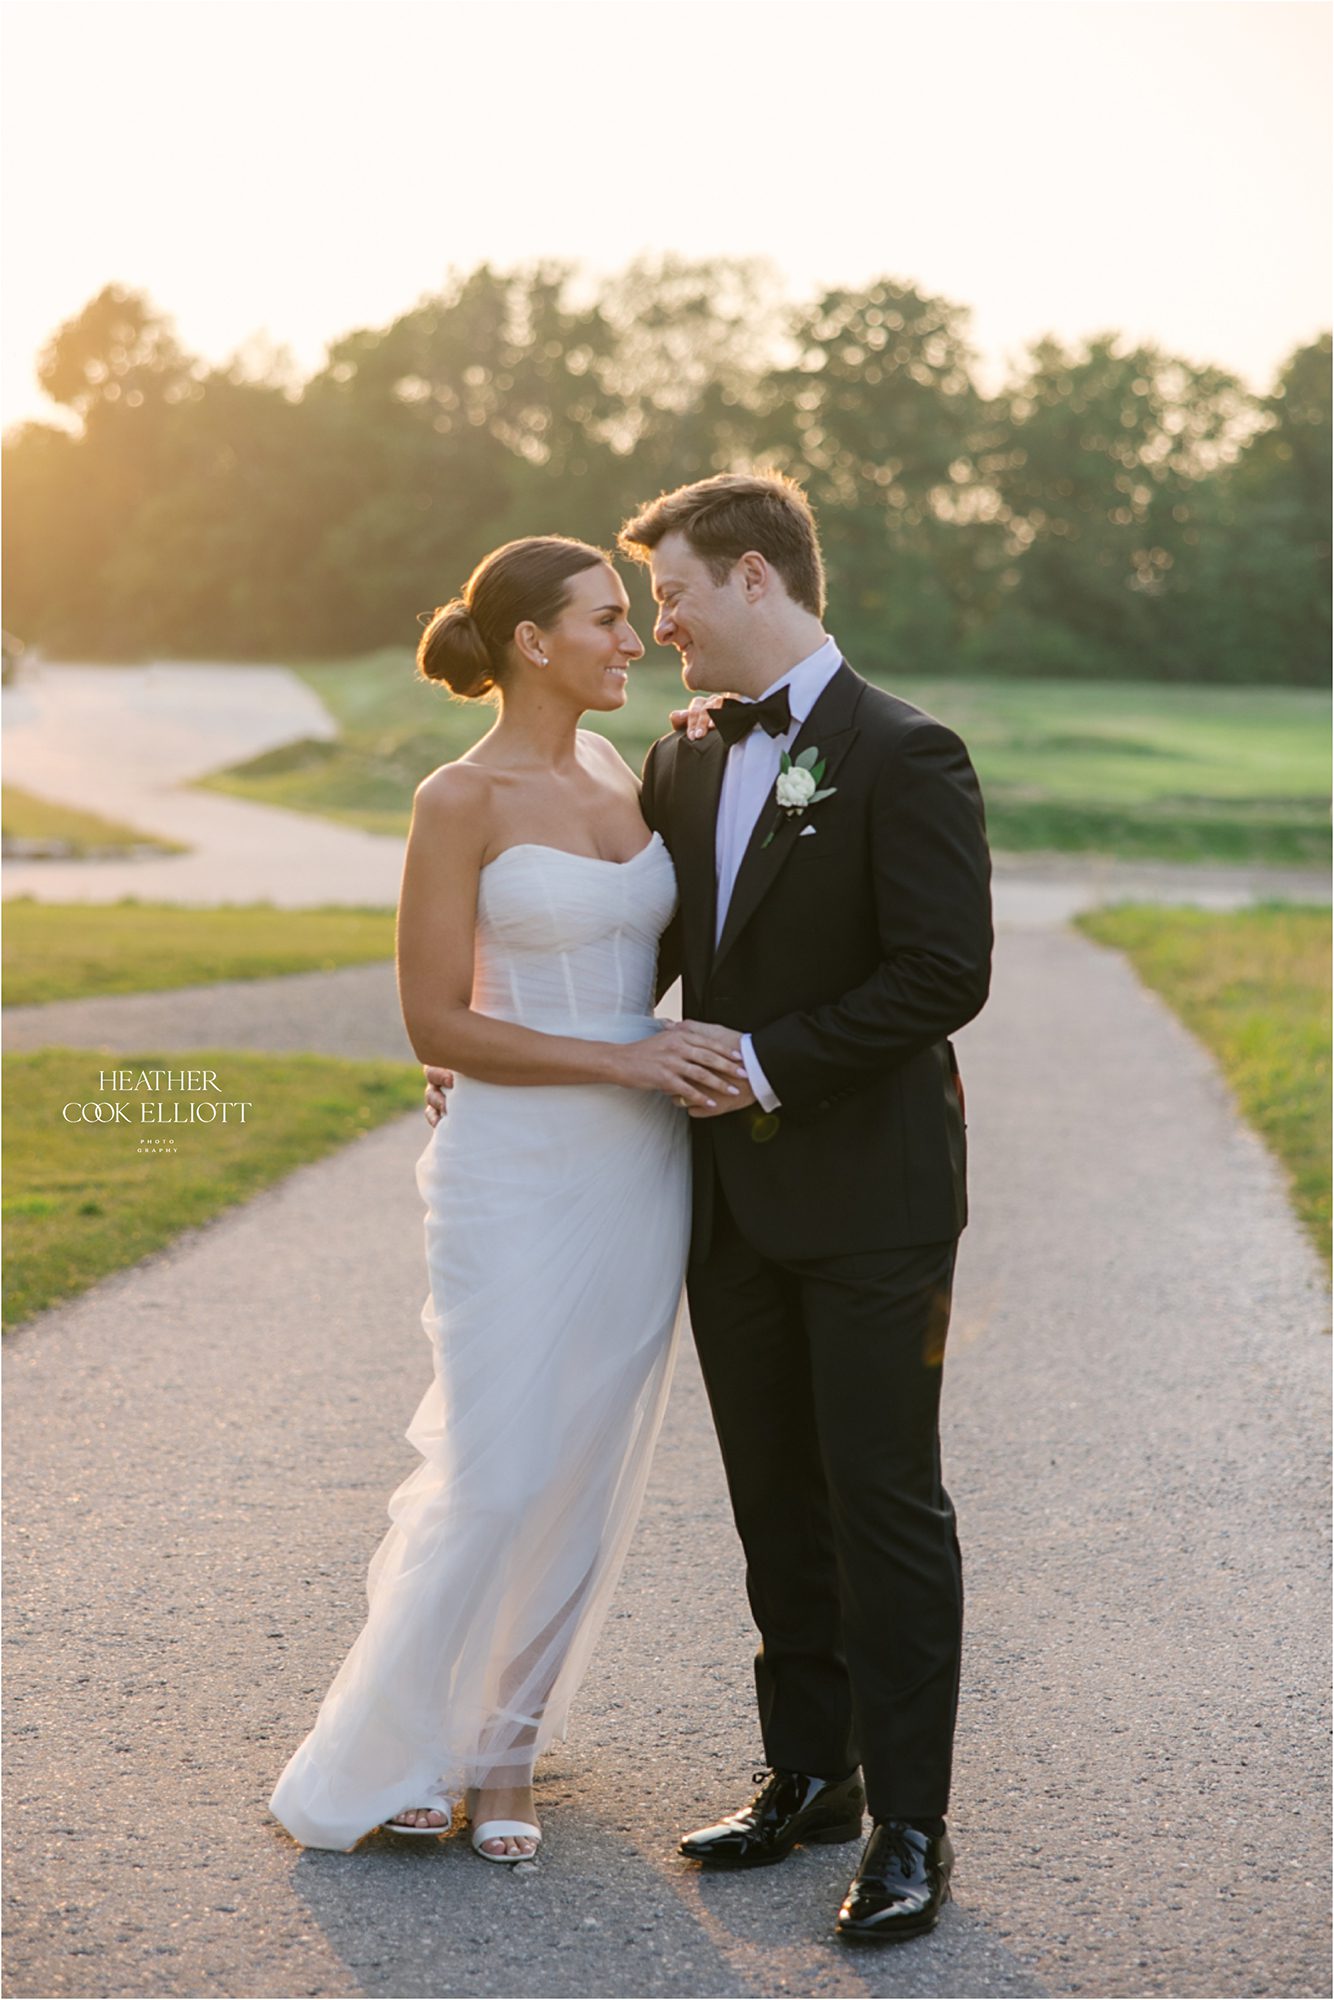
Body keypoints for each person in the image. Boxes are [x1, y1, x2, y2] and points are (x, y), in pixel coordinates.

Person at [428, 471, 993, 1941]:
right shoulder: (674, 761)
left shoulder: (905, 751)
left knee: (881, 1498)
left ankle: (912, 1826)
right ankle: (807, 1771)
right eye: (642, 604)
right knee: (772, 1501)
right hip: (723, 1202)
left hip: (872, 1198)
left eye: (671, 594)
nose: (658, 625)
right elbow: (632, 958)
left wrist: (757, 1066)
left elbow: (944, 977)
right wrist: (507, 1068)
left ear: (755, 578)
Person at [270, 536, 745, 1860]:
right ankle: (402, 1745)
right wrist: (615, 1057)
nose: (631, 639)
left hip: (634, 1167)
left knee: (583, 1466)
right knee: (496, 1465)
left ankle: (504, 1753)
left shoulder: (631, 770)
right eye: (606, 619)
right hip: (508, 1164)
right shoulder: (456, 798)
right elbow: (432, 1015)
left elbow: (647, 951)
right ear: (532, 641)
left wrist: (634, 1059)